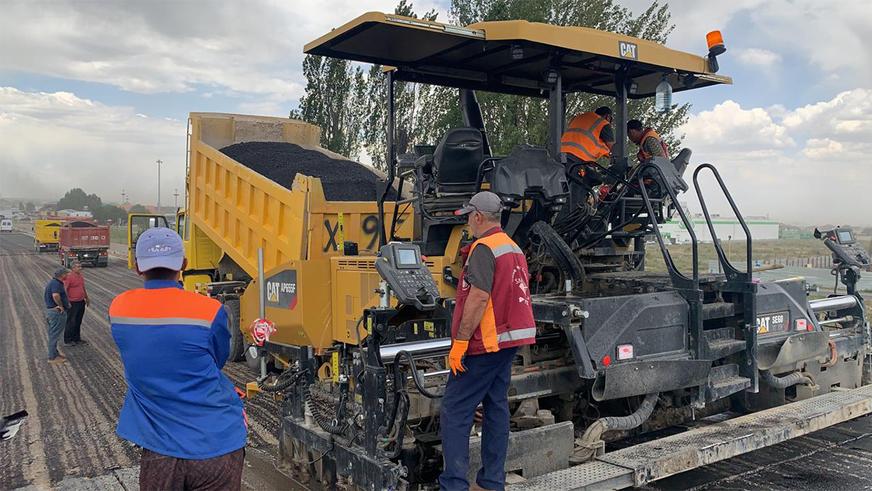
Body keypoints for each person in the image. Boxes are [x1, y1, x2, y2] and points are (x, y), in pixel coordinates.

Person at [110, 227, 246, 490]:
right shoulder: (211, 310)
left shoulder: (119, 308)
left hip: (160, 450)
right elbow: (217, 360)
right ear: (183, 264)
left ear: (138, 267)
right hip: (218, 444)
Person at [440, 192, 537, 491]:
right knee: (495, 406)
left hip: (487, 343)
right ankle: (491, 481)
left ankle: (454, 485)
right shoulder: (513, 247)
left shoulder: (483, 248)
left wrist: (460, 342)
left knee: (455, 408)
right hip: (510, 341)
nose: (468, 222)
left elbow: (479, 297)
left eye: (469, 215)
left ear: (478, 216)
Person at [44, 267, 71, 364]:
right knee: (54, 335)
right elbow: (55, 295)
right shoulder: (56, 284)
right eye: (67, 274)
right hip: (56, 313)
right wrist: (60, 305)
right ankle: (52, 357)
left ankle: (55, 353)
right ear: (62, 275)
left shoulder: (54, 282)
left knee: (54, 334)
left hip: (53, 311)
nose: (68, 275)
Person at [63, 261, 89, 345]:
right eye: (78, 267)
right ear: (73, 268)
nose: (80, 268)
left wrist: (86, 297)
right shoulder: (69, 277)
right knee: (71, 321)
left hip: (81, 301)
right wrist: (67, 302)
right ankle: (68, 340)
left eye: (80, 266)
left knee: (78, 321)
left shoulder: (80, 276)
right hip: (72, 303)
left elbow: (82, 287)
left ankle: (77, 338)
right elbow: (65, 290)